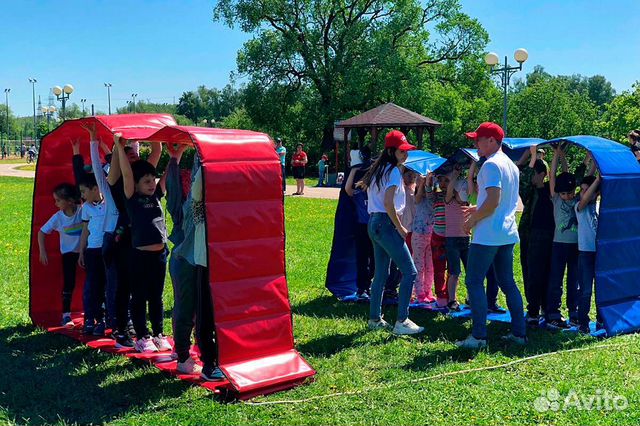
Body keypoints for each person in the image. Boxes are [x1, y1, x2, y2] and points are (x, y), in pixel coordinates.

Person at [456, 122, 526, 349]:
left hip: (488, 235)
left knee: (474, 281)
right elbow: (505, 201)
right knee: (508, 282)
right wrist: (478, 209)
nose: (475, 143)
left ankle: (478, 337)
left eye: (478, 139)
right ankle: (519, 333)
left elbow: (494, 201)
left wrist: (474, 219)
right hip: (506, 233)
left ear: (492, 141)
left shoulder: (490, 166)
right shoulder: (511, 166)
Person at [358, 130, 423, 335]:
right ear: (390, 150)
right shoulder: (393, 171)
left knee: (381, 274)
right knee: (410, 271)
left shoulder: (379, 170)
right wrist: (400, 227)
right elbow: (388, 203)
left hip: (374, 224)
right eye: (402, 150)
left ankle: (375, 319)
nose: (405, 154)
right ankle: (402, 321)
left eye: (407, 150)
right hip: (385, 224)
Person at [114, 133, 171, 353]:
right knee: (138, 296)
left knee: (156, 296)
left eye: (152, 179)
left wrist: (171, 151)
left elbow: (163, 167)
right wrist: (120, 148)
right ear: (136, 185)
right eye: (146, 181)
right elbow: (128, 175)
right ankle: (142, 336)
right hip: (139, 256)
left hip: (159, 255)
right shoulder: (132, 197)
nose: (151, 183)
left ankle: (158, 334)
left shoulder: (156, 194)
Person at [544, 145, 592, 329]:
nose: (566, 196)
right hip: (559, 245)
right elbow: (555, 174)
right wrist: (556, 154)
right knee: (556, 279)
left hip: (576, 246)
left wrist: (591, 161)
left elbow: (576, 176)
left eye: (569, 193)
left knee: (574, 280)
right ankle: (553, 313)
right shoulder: (555, 197)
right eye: (564, 193)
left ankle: (574, 312)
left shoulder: (578, 198)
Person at [516, 146, 555, 325]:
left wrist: (559, 155)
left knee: (546, 272)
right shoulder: (529, 192)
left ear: (542, 174)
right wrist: (529, 154)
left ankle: (546, 308)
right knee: (531, 273)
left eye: (534, 174)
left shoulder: (550, 189)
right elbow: (521, 174)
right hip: (530, 236)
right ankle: (533, 310)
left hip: (549, 237)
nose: (530, 177)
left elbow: (570, 177)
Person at [37, 183, 83, 326]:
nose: (55, 203)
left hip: (85, 252)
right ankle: (66, 315)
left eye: (58, 200)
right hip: (68, 254)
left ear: (69, 201)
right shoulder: (58, 217)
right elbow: (42, 232)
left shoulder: (82, 211)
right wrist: (42, 251)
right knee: (69, 283)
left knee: (95, 281)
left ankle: (99, 313)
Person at [77, 173, 108, 336]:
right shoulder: (86, 208)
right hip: (93, 251)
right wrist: (82, 251)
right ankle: (91, 318)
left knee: (107, 285)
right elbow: (85, 231)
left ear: (95, 189)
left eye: (83, 191)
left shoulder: (109, 203)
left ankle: (106, 319)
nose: (82, 195)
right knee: (93, 286)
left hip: (108, 250)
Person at [345, 147, 374, 301]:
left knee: (375, 259)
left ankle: (372, 286)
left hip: (376, 227)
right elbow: (348, 189)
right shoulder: (358, 194)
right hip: (362, 227)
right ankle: (362, 288)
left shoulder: (375, 192)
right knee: (363, 258)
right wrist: (354, 171)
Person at [575, 175, 602, 333]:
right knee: (585, 289)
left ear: (596, 194)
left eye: (587, 191)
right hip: (585, 253)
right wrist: (597, 180)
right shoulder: (579, 206)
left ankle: (601, 319)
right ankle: (583, 322)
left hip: (600, 254)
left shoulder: (600, 207)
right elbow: (584, 201)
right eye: (581, 190)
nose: (583, 194)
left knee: (601, 288)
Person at [444, 167, 470, 311]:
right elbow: (449, 190)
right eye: (462, 191)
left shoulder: (467, 203)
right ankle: (452, 300)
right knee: (454, 272)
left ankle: (471, 297)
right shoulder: (449, 199)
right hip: (452, 239)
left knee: (470, 271)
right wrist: (454, 176)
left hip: (466, 239)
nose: (464, 194)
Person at [411, 174, 435, 303]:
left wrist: (428, 183)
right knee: (419, 264)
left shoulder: (433, 196)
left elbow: (430, 197)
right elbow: (418, 199)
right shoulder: (417, 196)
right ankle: (419, 292)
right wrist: (421, 184)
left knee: (430, 266)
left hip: (432, 233)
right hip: (419, 233)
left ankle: (427, 291)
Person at [431, 174, 449, 308]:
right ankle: (440, 294)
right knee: (439, 268)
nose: (443, 183)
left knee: (453, 269)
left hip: (452, 236)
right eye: (441, 180)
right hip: (438, 236)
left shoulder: (455, 195)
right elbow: (428, 192)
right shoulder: (436, 196)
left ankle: (450, 294)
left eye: (446, 180)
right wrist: (429, 180)